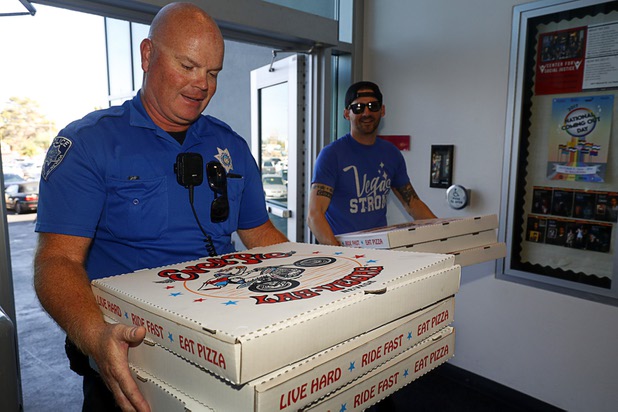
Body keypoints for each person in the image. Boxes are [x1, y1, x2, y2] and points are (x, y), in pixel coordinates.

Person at [33, 3, 287, 411]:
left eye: (213, 73)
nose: (201, 84)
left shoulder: (232, 147)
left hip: (218, 348)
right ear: (147, 56)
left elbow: (262, 237)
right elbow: (56, 261)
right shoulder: (88, 144)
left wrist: (314, 278)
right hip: (131, 356)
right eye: (188, 66)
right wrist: (97, 337)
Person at [307, 81, 436, 245]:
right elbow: (314, 216)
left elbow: (413, 204)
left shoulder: (391, 154)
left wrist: (448, 233)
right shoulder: (332, 155)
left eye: (372, 106)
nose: (366, 113)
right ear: (347, 113)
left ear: (382, 110)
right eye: (358, 108)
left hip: (380, 250)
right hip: (341, 250)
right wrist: (341, 253)